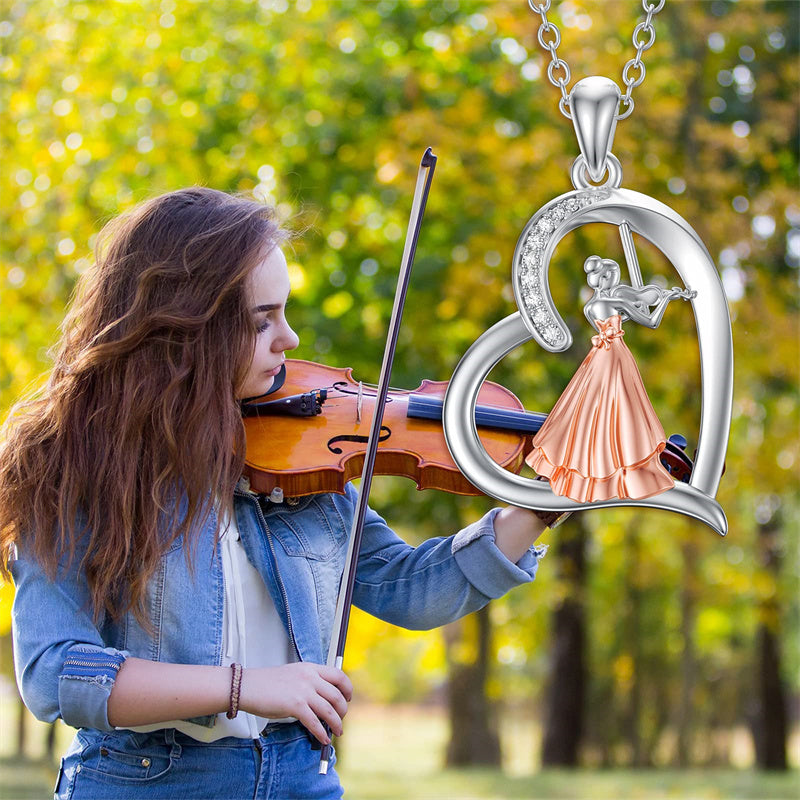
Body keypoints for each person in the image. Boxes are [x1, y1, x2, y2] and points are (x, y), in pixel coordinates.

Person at [1, 187, 553, 800]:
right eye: (261, 321)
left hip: (298, 776)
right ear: (186, 328)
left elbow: (410, 589)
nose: (288, 339)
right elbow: (55, 672)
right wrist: (244, 687)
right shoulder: (73, 466)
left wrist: (541, 503)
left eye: (284, 313)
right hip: (145, 782)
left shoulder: (301, 453)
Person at [526, 254, 695, 503]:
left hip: (598, 356)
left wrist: (639, 299)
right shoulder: (615, 301)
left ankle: (586, 470)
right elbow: (650, 320)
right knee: (622, 410)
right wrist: (666, 298)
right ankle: (621, 464)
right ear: (607, 278)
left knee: (591, 413)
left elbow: (619, 315)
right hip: (615, 355)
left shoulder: (590, 307)